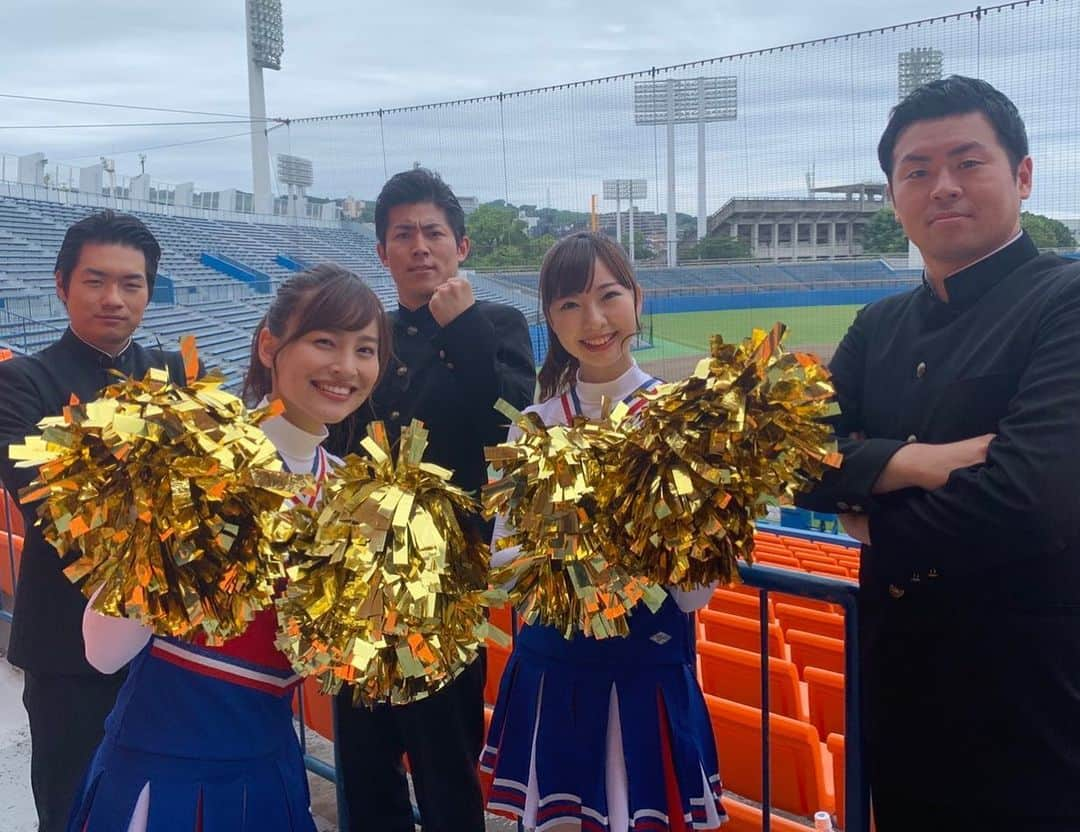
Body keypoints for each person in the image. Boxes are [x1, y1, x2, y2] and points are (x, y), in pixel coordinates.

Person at [798, 76, 1080, 830]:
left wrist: (870, 515)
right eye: (917, 171)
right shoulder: (879, 322)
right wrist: (915, 464)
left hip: (1034, 697)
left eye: (968, 162)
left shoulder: (1066, 301)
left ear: (1022, 175)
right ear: (894, 196)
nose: (943, 187)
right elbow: (793, 460)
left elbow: (1027, 501)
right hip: (899, 687)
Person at [66, 264, 391, 831]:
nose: (346, 366)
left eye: (365, 349)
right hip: (163, 767)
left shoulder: (350, 493)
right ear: (270, 344)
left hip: (270, 772)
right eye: (324, 341)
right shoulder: (194, 460)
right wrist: (185, 529)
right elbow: (103, 650)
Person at [481, 232, 725, 832]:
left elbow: (695, 595)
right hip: (554, 674)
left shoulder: (682, 420)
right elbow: (503, 566)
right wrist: (580, 556)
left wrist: (627, 543)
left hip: (648, 675)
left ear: (637, 299)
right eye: (568, 304)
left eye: (608, 295)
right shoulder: (532, 428)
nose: (592, 320)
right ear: (550, 320)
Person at [330, 168, 535, 832]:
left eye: (434, 232)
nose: (420, 246)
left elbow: (508, 425)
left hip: (448, 579)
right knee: (364, 759)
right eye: (403, 234)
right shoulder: (366, 333)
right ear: (382, 252)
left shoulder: (497, 324)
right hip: (360, 574)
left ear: (462, 247)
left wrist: (463, 327)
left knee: (445, 761)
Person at [0, 210, 189, 832]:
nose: (114, 299)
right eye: (95, 281)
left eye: (132, 284)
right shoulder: (21, 382)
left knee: (166, 801)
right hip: (67, 643)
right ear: (61, 285)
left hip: (172, 639)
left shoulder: (177, 371)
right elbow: (51, 500)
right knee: (74, 805)